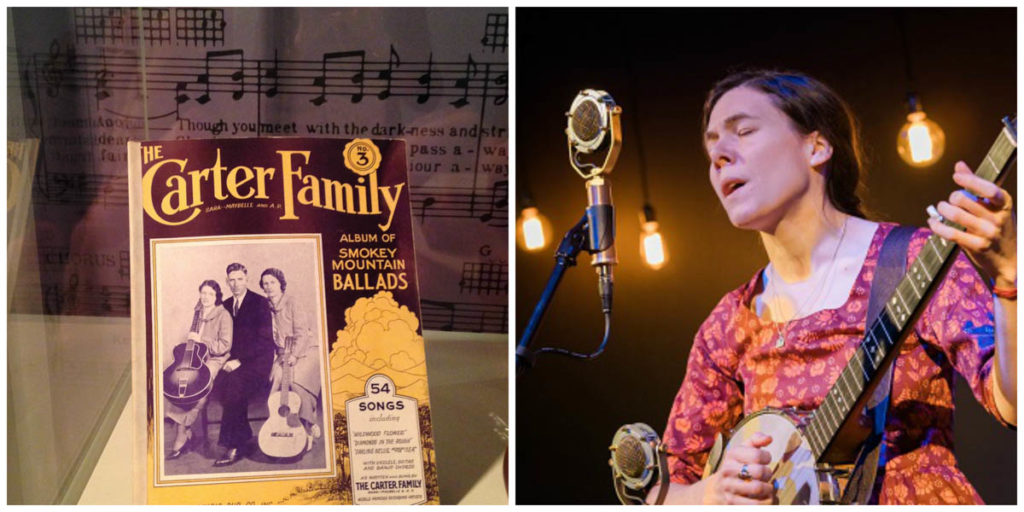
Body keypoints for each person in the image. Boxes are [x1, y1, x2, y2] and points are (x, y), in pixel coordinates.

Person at [653, 70, 1016, 505]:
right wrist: (710, 493)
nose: (719, 157)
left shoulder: (910, 261)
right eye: (712, 146)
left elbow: (1014, 405)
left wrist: (1012, 277)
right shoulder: (731, 322)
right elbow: (662, 487)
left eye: (744, 131)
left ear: (817, 146)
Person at [213, 262, 275, 467]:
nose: (236, 283)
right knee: (221, 380)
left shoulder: (260, 302)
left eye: (240, 279)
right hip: (232, 361)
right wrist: (226, 360)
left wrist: (239, 361)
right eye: (232, 279)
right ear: (226, 281)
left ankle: (235, 445)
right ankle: (244, 433)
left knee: (234, 384)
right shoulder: (225, 305)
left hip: (257, 362)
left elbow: (264, 340)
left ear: (246, 279)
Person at [165, 279, 232, 460]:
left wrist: (202, 340)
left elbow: (225, 345)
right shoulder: (198, 312)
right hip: (196, 356)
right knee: (181, 383)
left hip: (214, 358)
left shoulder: (223, 315)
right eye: (203, 293)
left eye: (210, 294)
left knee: (199, 387)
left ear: (217, 296)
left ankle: (183, 431)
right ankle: (184, 431)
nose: (206, 297)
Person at [260, 268, 323, 451]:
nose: (269, 286)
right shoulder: (265, 306)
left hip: (306, 350)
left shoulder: (293, 302)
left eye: (272, 282)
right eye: (265, 283)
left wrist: (295, 355)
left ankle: (307, 426)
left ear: (280, 283)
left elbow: (302, 333)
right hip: (283, 353)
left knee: (295, 382)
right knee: (277, 380)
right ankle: (281, 426)